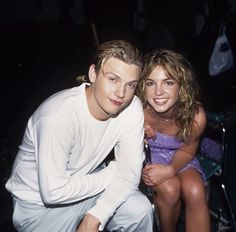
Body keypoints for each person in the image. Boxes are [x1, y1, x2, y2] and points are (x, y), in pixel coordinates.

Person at [5, 40, 153, 232]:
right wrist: (112, 172)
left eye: (130, 85)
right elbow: (53, 193)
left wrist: (97, 215)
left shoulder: (132, 107)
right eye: (112, 79)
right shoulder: (58, 115)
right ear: (93, 74)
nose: (121, 93)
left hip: (89, 183)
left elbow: (130, 174)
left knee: (139, 210)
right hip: (39, 206)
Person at [137, 49, 211, 232]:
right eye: (150, 83)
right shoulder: (135, 109)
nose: (158, 92)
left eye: (168, 82)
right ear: (142, 86)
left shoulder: (195, 116)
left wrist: (170, 169)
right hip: (144, 154)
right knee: (170, 189)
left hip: (180, 155)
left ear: (181, 85)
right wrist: (135, 128)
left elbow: (187, 150)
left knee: (195, 190)